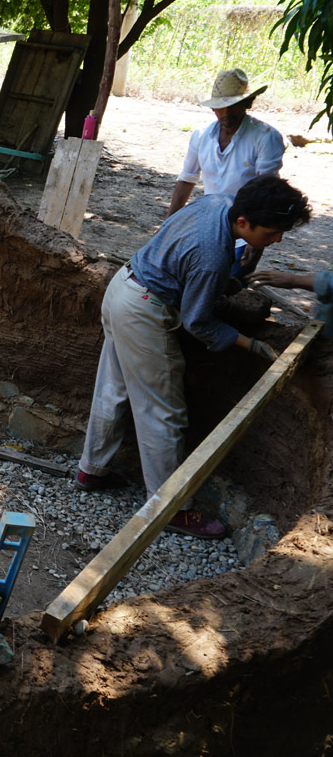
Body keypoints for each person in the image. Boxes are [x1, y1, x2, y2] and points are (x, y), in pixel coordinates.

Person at [75, 175, 311, 539]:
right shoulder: (211, 254)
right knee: (164, 413)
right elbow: (198, 322)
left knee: (114, 387)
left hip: (123, 287)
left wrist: (232, 270)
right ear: (244, 222)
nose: (277, 239)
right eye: (272, 232)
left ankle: (91, 470)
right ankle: (170, 509)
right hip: (144, 311)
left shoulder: (217, 202)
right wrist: (251, 344)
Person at [168, 68, 285, 277]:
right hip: (208, 223)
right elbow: (187, 179)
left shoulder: (266, 137)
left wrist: (257, 242)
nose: (225, 114)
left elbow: (268, 190)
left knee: (230, 285)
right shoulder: (201, 136)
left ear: (247, 104)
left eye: (233, 106)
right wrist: (169, 224)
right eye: (220, 108)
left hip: (246, 229)